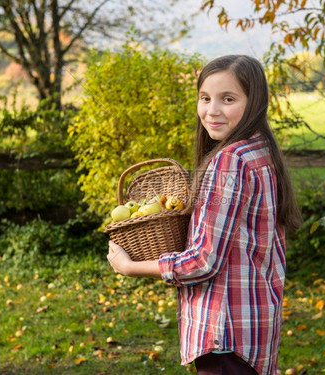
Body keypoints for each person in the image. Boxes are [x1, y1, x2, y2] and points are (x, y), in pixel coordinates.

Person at [107, 54, 301, 375]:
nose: (212, 111)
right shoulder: (261, 150)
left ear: (254, 102)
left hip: (226, 333)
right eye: (205, 98)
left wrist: (130, 267)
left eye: (228, 99)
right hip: (255, 326)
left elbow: (203, 261)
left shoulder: (230, 161)